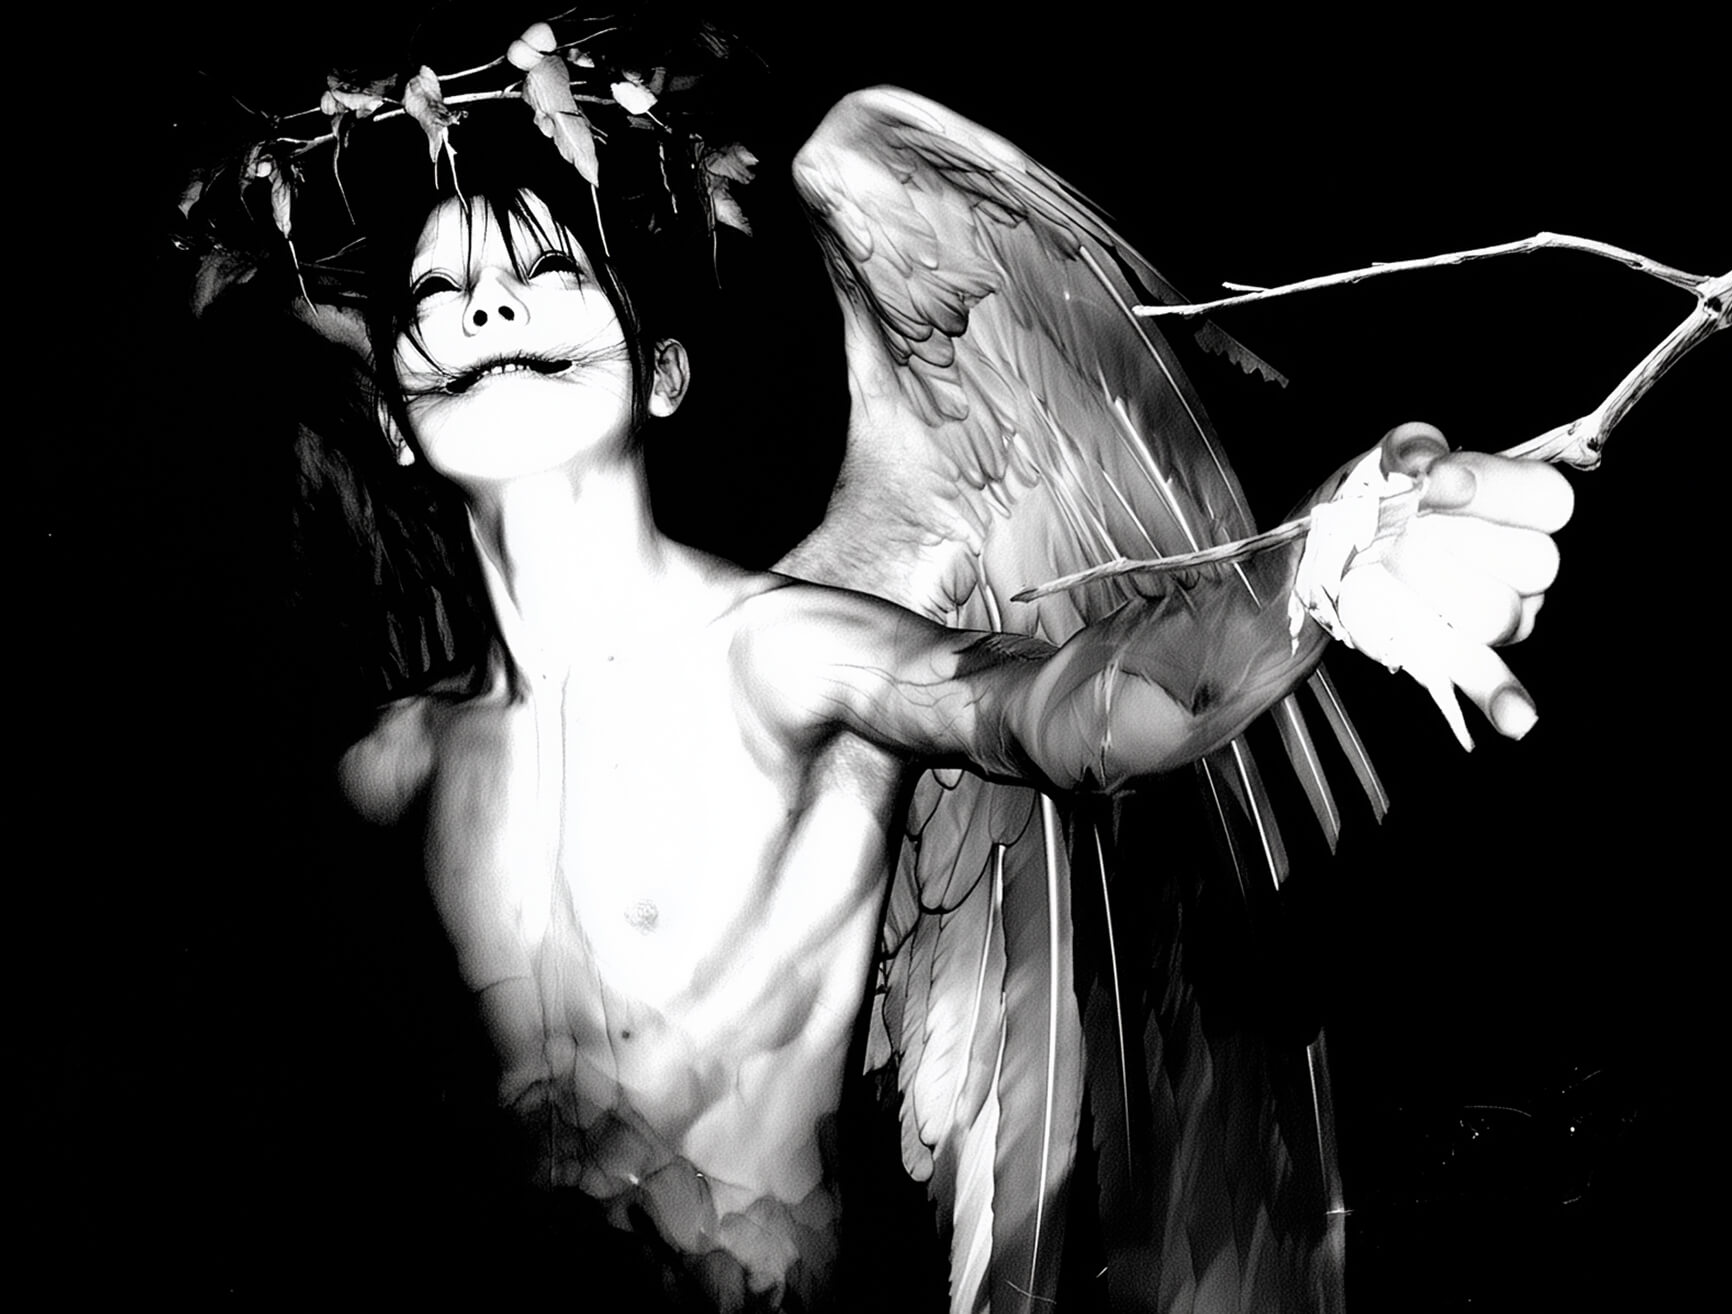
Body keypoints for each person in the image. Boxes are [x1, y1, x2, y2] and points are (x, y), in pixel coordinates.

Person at [322, 92, 1572, 1309]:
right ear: (389, 416)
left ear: (662, 375)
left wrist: (1308, 580)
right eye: (436, 295)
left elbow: (1051, 715)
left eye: (547, 270)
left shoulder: (782, 654)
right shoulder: (390, 763)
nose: (487, 304)